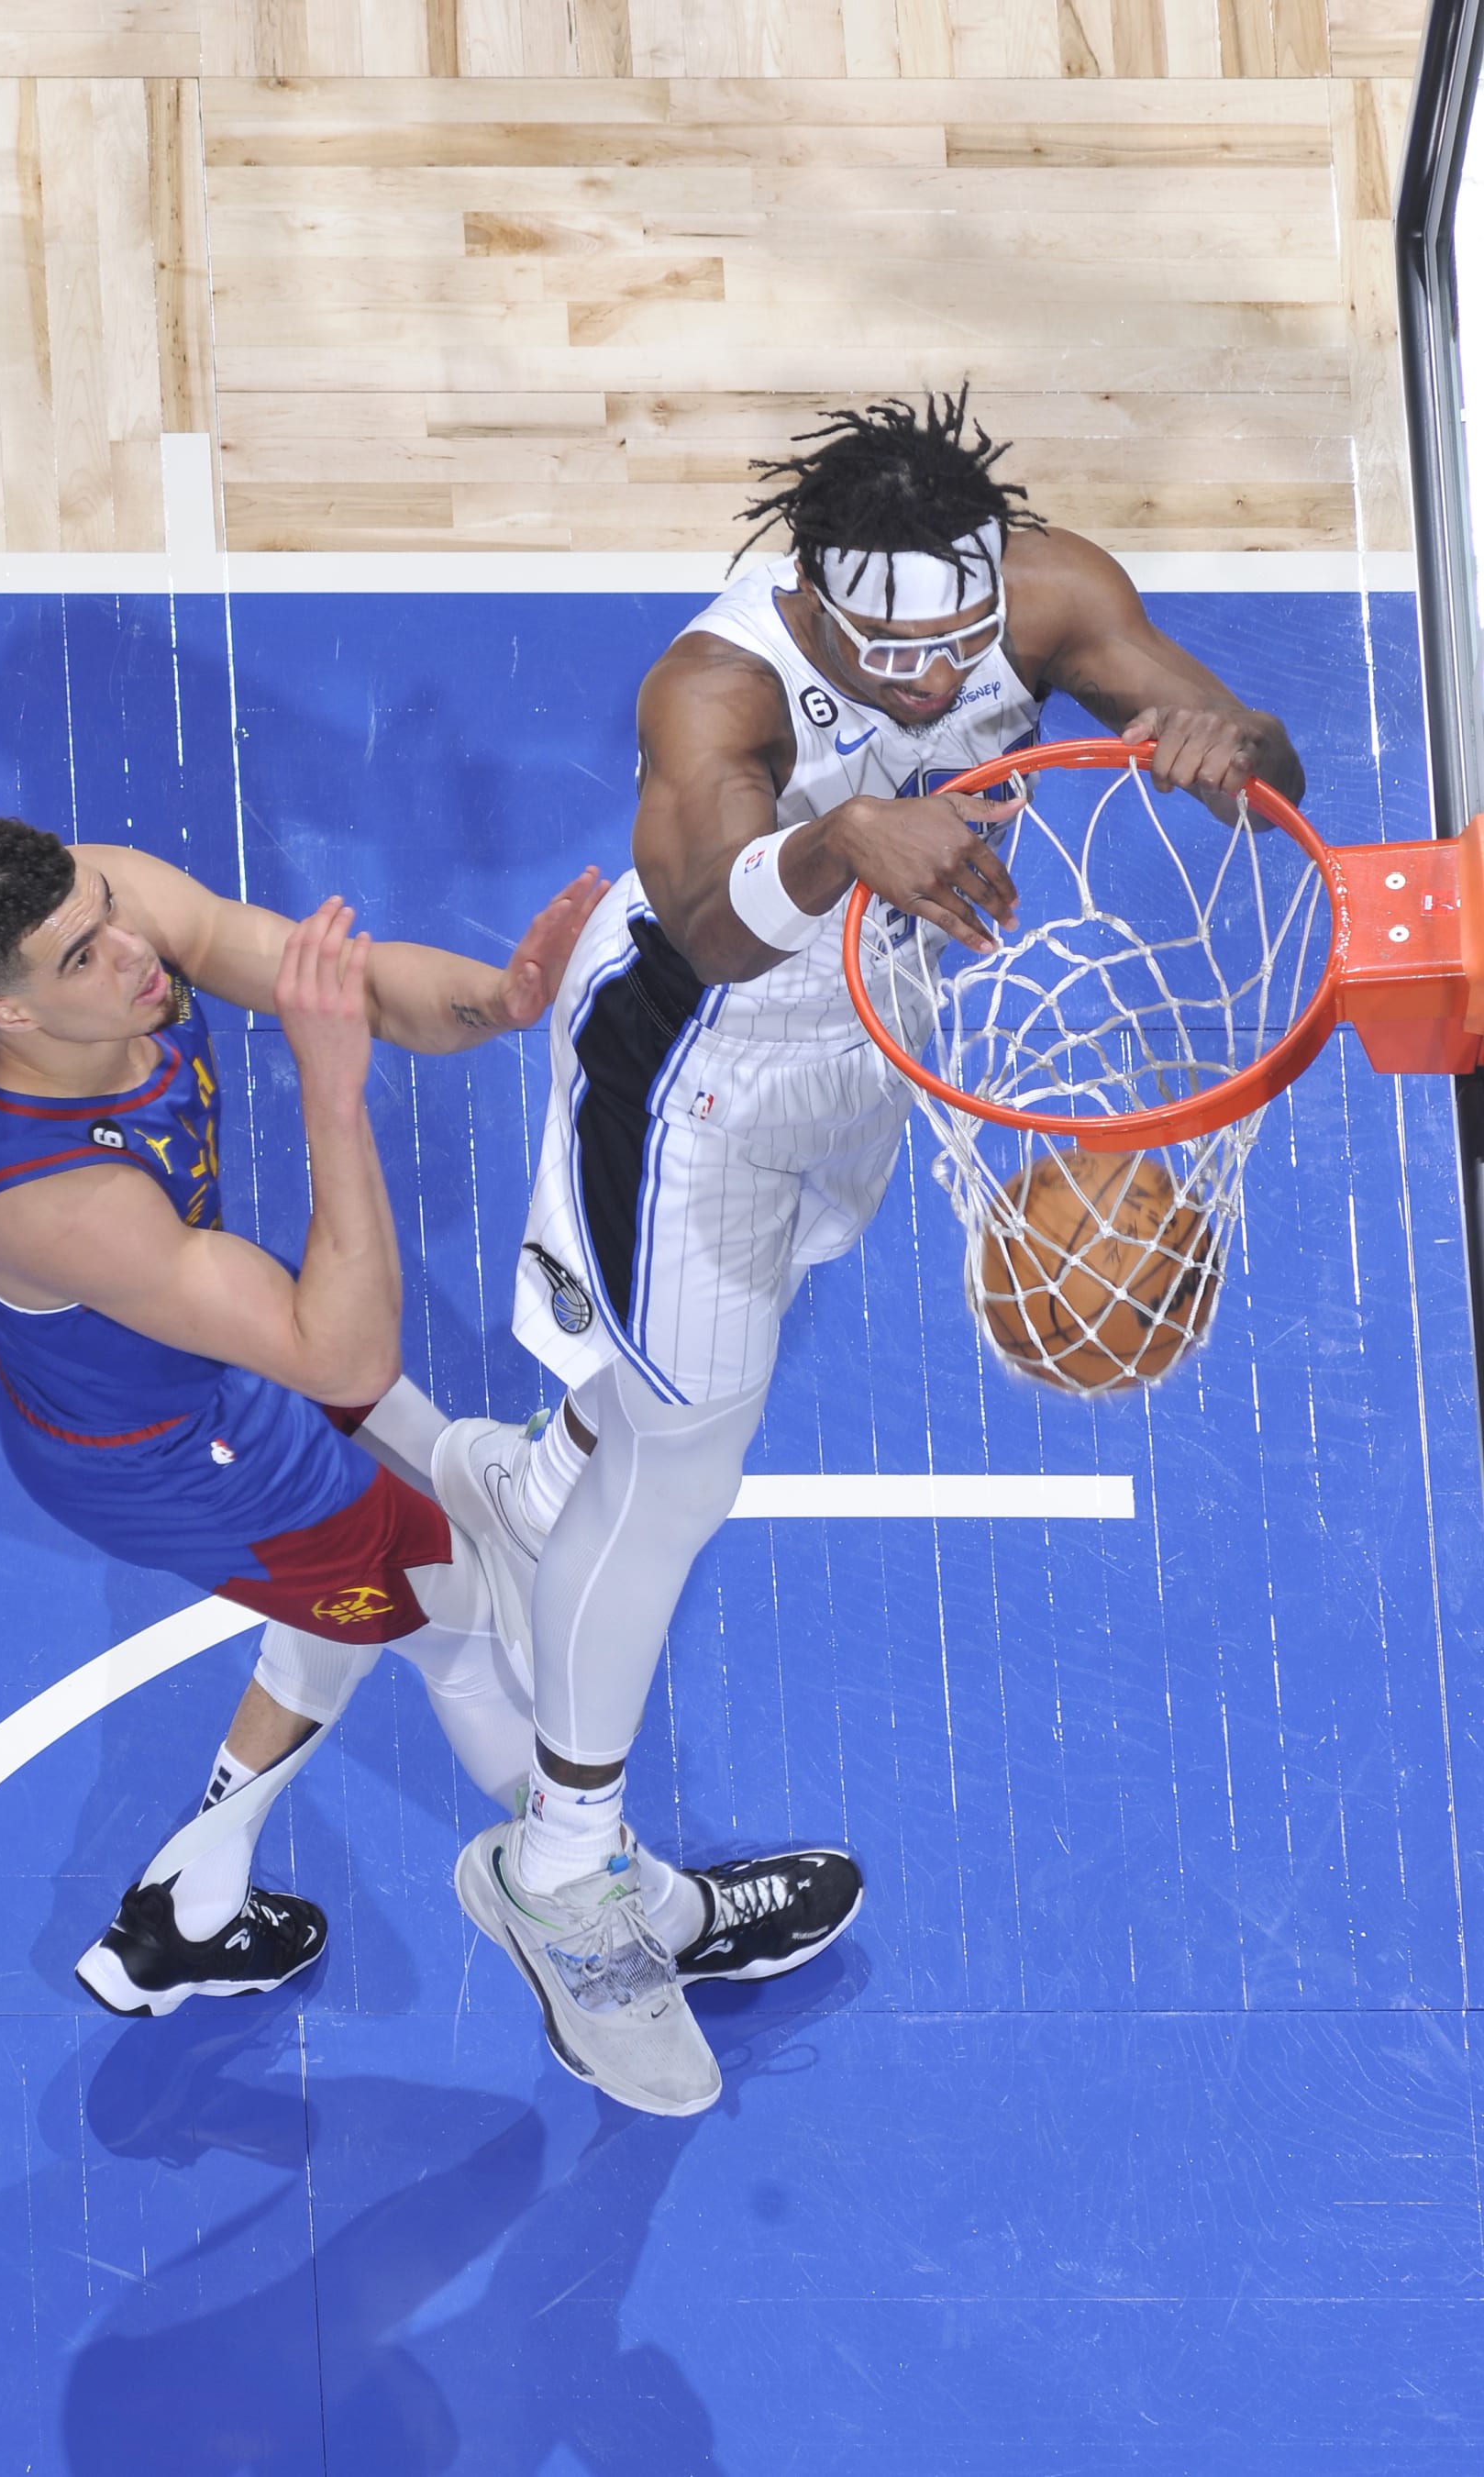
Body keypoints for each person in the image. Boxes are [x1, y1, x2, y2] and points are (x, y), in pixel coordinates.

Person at [436, 391, 1307, 2115]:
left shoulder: (1051, 592)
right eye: (884, 656)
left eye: (954, 650)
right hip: (691, 1058)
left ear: (993, 581)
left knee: (673, 1389)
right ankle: (564, 1877)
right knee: (695, 1459)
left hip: (875, 1029)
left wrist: (1235, 745)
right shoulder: (719, 685)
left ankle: (532, 1494)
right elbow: (701, 923)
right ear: (818, 598)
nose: (925, 686)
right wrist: (840, 838)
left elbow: (1258, 758)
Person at [0, 822, 858, 2109]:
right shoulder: (48, 1199)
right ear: (9, 1010)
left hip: (206, 1363)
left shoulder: (96, 917)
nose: (133, 950)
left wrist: (499, 1001)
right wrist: (332, 1091)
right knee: (447, 1615)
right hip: (186, 1452)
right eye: (86, 951)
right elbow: (339, 1351)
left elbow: (312, 970)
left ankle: (191, 1903)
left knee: (357, 1588)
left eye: (113, 906)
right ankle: (602, 1905)